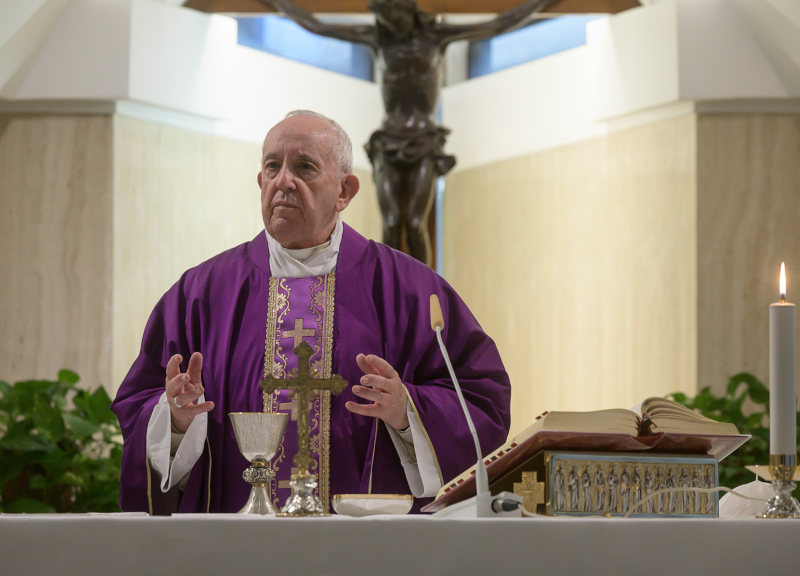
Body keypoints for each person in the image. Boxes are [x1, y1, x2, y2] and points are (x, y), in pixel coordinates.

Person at [110, 110, 511, 515]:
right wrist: (175, 421)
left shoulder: (411, 291)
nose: (283, 181)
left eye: (304, 167)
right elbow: (138, 402)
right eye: (272, 166)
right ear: (260, 181)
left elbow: (481, 400)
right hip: (237, 548)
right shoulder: (201, 293)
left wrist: (409, 411)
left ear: (344, 191)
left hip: (364, 551)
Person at [265, 0, 557, 266]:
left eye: (393, 15)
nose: (390, 22)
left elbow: (496, 24)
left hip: (424, 142)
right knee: (391, 222)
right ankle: (390, 290)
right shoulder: (379, 39)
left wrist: (542, 3)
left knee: (416, 222)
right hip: (389, 142)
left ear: (408, 12)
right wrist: (277, 3)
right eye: (385, 17)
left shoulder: (435, 37)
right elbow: (318, 26)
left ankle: (424, 289)